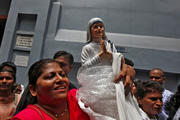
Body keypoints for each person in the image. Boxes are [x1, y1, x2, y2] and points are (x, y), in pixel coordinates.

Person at [76, 17, 142, 120]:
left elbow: (118, 60)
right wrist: (100, 55)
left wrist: (111, 55)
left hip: (112, 76)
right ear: (90, 30)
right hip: (95, 80)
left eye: (101, 27)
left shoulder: (109, 45)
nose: (99, 29)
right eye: (95, 27)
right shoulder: (87, 48)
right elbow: (84, 66)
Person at [12, 59, 90, 120]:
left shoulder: (79, 99)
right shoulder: (26, 118)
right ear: (33, 90)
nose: (60, 79)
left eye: (63, 75)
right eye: (50, 77)